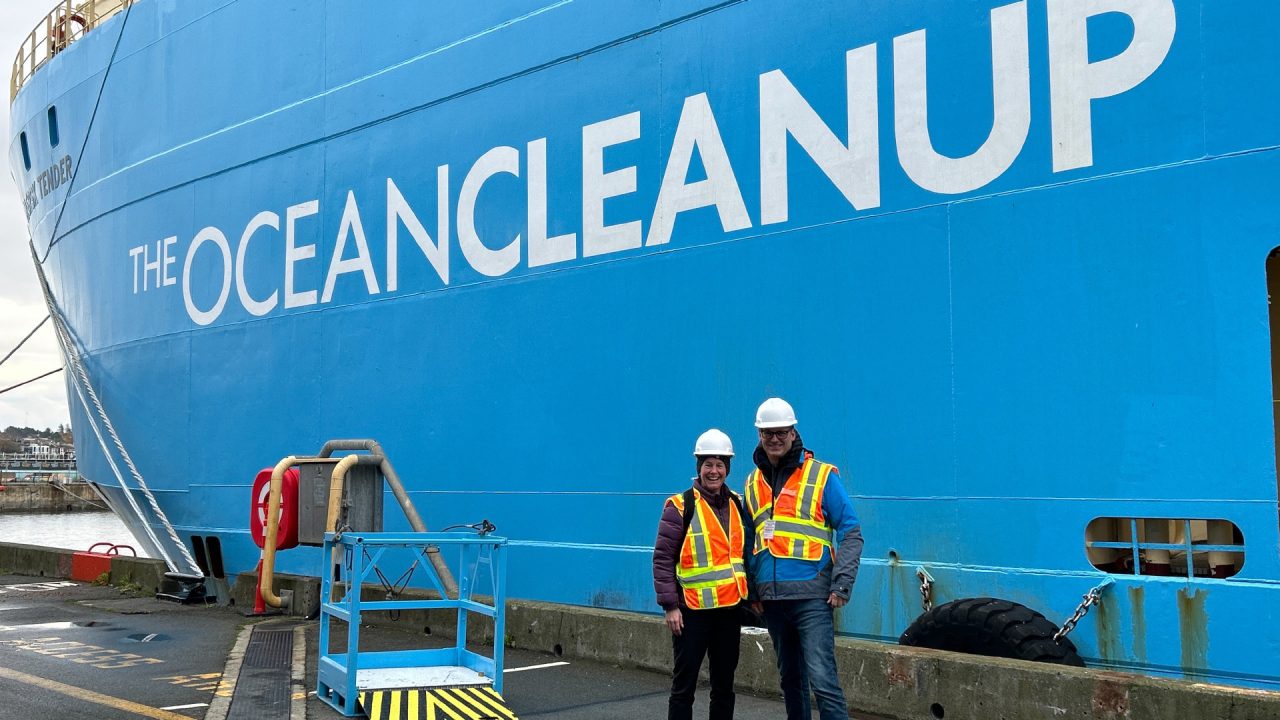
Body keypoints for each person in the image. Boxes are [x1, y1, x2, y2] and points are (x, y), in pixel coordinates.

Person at [743, 398, 863, 720]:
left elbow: (851, 530)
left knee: (823, 681)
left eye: (781, 432)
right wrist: (754, 593)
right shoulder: (752, 483)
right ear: (759, 436)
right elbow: (749, 542)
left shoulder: (821, 476)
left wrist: (842, 584)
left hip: (812, 597)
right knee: (790, 682)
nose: (775, 439)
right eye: (768, 433)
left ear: (793, 433)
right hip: (772, 601)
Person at [653, 429, 752, 720]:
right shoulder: (680, 506)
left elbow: (743, 555)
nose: (714, 471)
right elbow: (662, 559)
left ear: (727, 468)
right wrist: (670, 606)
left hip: (729, 611)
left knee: (724, 687)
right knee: (684, 688)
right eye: (708, 464)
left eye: (720, 465)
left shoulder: (737, 503)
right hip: (691, 612)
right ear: (699, 467)